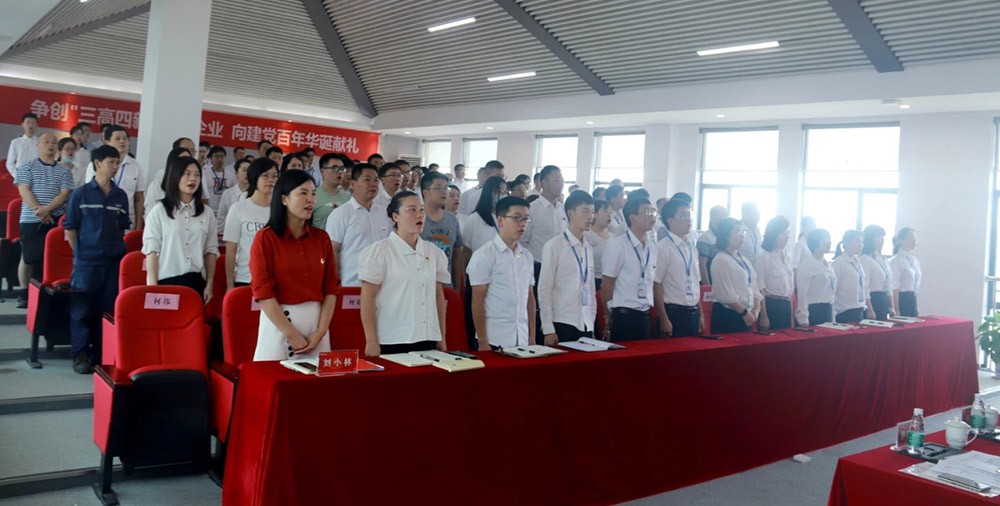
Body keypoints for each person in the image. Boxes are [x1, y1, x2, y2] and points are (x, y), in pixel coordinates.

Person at [249, 170, 337, 361]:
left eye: (313, 194)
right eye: (303, 193)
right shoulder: (266, 238)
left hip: (316, 327)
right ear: (284, 199)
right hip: (279, 325)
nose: (310, 200)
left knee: (316, 379)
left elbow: (330, 288)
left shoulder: (321, 238)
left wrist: (320, 331)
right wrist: (291, 334)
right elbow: (263, 292)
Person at [63, 145, 130, 374]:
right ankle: (80, 354)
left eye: (117, 162)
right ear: (97, 163)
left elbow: (123, 228)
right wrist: (81, 254)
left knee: (108, 310)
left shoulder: (120, 196)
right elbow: (70, 229)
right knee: (81, 310)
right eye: (111, 162)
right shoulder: (80, 194)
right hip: (86, 261)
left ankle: (103, 354)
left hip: (113, 262)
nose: (115, 166)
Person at [359, 191, 448, 356]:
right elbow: (367, 297)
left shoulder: (433, 252)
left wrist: (441, 336)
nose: (419, 215)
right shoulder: (380, 251)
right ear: (396, 217)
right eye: (412, 210)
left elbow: (438, 296)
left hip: (427, 337)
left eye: (421, 210)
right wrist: (370, 340)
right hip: (393, 339)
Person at [142, 156, 218, 301]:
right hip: (166, 282)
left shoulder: (207, 213)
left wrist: (209, 285)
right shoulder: (159, 211)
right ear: (175, 176)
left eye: (197, 175)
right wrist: (153, 288)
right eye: (187, 174)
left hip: (196, 283)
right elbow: (151, 251)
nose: (193, 179)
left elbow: (210, 251)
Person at [13, 132, 74, 308]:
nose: (50, 145)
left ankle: (47, 292)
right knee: (28, 256)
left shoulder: (64, 170)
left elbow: (64, 194)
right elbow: (24, 190)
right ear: (38, 145)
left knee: (52, 257)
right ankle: (24, 293)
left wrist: (46, 210)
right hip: (30, 219)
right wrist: (39, 210)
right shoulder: (27, 166)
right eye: (46, 142)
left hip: (55, 218)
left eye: (54, 142)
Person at [467, 196, 536, 349]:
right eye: (516, 218)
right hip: (494, 339)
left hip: (522, 338)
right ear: (500, 221)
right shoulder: (484, 255)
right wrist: (483, 341)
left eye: (525, 219)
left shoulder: (527, 256)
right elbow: (477, 302)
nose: (522, 224)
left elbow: (530, 299)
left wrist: (532, 337)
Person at [538, 191, 597, 344]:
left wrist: (591, 323)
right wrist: (548, 329)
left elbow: (590, 288)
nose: (590, 216)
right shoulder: (554, 246)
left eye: (592, 212)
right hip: (562, 322)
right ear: (571, 213)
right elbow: (545, 289)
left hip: (585, 322)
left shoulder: (588, 248)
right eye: (585, 211)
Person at [325, 163, 392, 287]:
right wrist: (336, 282)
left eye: (376, 180)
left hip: (382, 285)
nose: (373, 184)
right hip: (353, 285)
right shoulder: (341, 214)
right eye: (367, 180)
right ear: (353, 184)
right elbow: (333, 251)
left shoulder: (384, 214)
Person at [601, 197, 657, 341]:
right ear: (633, 217)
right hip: (624, 316)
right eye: (647, 212)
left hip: (645, 314)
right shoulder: (619, 245)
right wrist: (610, 315)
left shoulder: (651, 245)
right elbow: (607, 283)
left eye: (653, 212)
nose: (652, 216)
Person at [223, 158, 277, 290]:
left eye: (274, 176)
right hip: (245, 278)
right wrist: (230, 285)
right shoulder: (239, 209)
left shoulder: (280, 210)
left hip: (274, 280)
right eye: (265, 175)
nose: (271, 180)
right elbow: (231, 251)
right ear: (254, 177)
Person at [654, 198, 703, 337]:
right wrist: (664, 318)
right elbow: (656, 285)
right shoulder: (663, 248)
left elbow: (695, 283)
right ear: (670, 220)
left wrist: (700, 314)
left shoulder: (692, 247)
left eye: (689, 214)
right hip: (673, 313)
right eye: (683, 215)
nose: (688, 219)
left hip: (693, 312)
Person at [84, 125, 145, 229]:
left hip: (125, 220)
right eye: (117, 138)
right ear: (107, 142)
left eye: (125, 138)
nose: (122, 141)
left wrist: (138, 226)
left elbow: (139, 198)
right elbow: (89, 192)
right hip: (98, 219)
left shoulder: (136, 166)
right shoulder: (96, 164)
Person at [709, 218, 762, 334]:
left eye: (743, 231)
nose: (742, 235)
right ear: (726, 236)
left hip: (747, 313)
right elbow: (725, 293)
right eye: (738, 232)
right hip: (729, 315)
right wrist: (744, 312)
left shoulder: (744, 260)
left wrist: (756, 309)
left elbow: (754, 287)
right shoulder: (721, 259)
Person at [522, 165, 568, 283]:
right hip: (538, 267)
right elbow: (523, 240)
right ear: (544, 183)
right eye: (556, 181)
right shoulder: (532, 209)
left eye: (562, 181)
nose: (561, 185)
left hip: (560, 267)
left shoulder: (563, 210)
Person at [420, 172, 466, 289]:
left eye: (446, 188)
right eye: (439, 188)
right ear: (425, 192)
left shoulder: (452, 219)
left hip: (446, 286)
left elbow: (457, 255)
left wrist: (456, 289)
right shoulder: (416, 217)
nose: (444, 192)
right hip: (420, 286)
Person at [755, 216, 794, 330]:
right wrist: (764, 316)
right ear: (773, 234)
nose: (787, 237)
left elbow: (790, 289)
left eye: (788, 233)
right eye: (783, 233)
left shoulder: (787, 258)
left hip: (786, 304)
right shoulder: (764, 257)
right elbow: (760, 288)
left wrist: (791, 315)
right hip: (771, 304)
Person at [795, 228, 835, 326]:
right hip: (813, 310)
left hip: (828, 308)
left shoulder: (828, 265)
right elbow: (802, 294)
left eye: (830, 240)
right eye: (825, 240)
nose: (829, 243)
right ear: (815, 242)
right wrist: (803, 319)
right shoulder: (807, 264)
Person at [144, 146, 192, 219]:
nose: (186, 163)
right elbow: (150, 214)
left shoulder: (192, 186)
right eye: (182, 160)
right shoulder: (157, 185)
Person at [832, 230, 869, 323]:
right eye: (857, 242)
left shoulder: (857, 261)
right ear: (846, 242)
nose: (860, 245)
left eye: (862, 242)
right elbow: (833, 290)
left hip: (859, 308)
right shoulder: (839, 263)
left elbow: (863, 286)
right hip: (845, 311)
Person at [462, 176, 507, 253]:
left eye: (505, 192)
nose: (502, 195)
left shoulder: (507, 218)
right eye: (498, 192)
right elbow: (466, 249)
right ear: (488, 193)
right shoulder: (475, 218)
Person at [860, 225, 895, 319]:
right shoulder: (864, 259)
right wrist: (869, 309)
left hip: (883, 298)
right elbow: (865, 287)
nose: (882, 240)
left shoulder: (883, 259)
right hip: (873, 298)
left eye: (883, 237)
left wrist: (892, 306)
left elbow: (889, 285)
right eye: (879, 237)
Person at [312, 153, 351, 229]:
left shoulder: (348, 198)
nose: (340, 172)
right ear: (323, 172)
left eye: (342, 169)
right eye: (335, 168)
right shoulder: (313, 196)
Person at [890, 227, 920, 317]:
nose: (914, 241)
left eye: (915, 239)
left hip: (912, 298)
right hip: (902, 298)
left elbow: (915, 284)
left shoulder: (914, 260)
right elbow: (894, 286)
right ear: (901, 240)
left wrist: (916, 306)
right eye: (911, 238)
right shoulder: (896, 260)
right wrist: (896, 308)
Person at [697, 205, 729, 284]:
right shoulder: (705, 237)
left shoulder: (725, 236)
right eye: (721, 215)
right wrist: (707, 285)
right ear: (712, 218)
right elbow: (702, 265)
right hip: (711, 281)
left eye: (725, 215)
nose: (723, 218)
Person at [584, 199, 612, 291]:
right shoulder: (586, 235)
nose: (609, 215)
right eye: (605, 211)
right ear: (594, 214)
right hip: (591, 281)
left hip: (610, 280)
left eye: (611, 212)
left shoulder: (614, 237)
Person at [217, 158, 251, 227]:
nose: (247, 173)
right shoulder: (227, 194)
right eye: (244, 170)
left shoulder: (256, 193)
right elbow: (221, 217)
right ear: (236, 173)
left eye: (249, 170)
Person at [202, 146, 235, 212]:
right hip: (208, 209)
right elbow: (202, 194)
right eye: (216, 156)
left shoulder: (231, 175)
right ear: (211, 158)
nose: (219, 159)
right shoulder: (204, 174)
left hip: (226, 211)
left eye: (222, 156)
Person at [6, 113, 39, 177]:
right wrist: (16, 176)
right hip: (20, 175)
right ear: (23, 124)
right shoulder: (15, 142)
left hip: (37, 176)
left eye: (33, 123)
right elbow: (10, 163)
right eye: (28, 122)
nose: (30, 125)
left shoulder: (41, 142)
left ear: (37, 125)